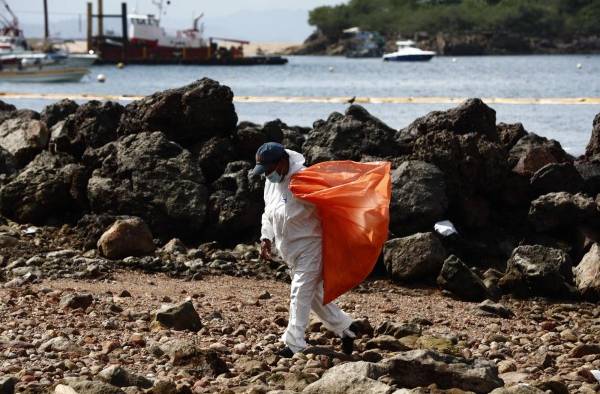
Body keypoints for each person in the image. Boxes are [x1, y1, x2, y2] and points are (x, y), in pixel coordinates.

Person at [252, 142, 357, 358]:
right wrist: (266, 238)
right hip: (290, 250)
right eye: (264, 172)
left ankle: (294, 344)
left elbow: (335, 206)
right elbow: (268, 212)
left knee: (299, 292)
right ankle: (346, 329)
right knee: (314, 297)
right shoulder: (271, 183)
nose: (267, 175)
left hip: (312, 247)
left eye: (269, 170)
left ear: (281, 163)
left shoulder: (306, 180)